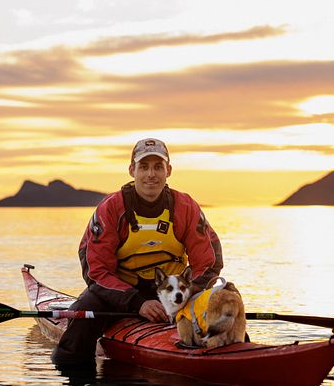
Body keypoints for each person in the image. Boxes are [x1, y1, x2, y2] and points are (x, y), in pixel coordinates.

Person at [52, 138, 224, 366]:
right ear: (132, 170)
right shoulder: (112, 208)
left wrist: (179, 298)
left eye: (157, 167)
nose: (150, 174)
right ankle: (71, 370)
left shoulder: (185, 207)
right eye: (143, 167)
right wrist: (137, 303)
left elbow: (209, 263)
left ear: (168, 170)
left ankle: (235, 356)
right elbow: (96, 270)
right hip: (120, 294)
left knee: (222, 306)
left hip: (174, 293)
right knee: (84, 316)